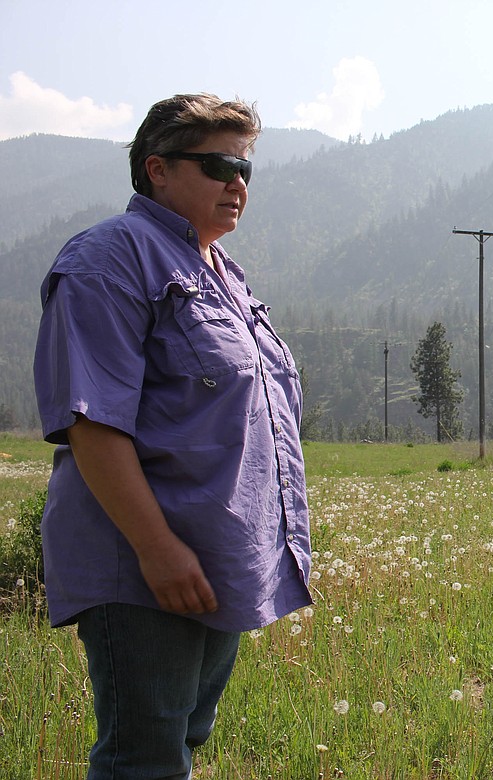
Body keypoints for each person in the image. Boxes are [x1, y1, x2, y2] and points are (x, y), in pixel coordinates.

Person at [33, 93, 312, 779]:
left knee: (184, 739)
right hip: (146, 567)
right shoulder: (111, 259)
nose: (237, 184)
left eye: (246, 169)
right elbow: (90, 420)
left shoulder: (226, 276)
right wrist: (157, 550)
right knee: (144, 758)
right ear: (157, 169)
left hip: (219, 559)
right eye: (218, 165)